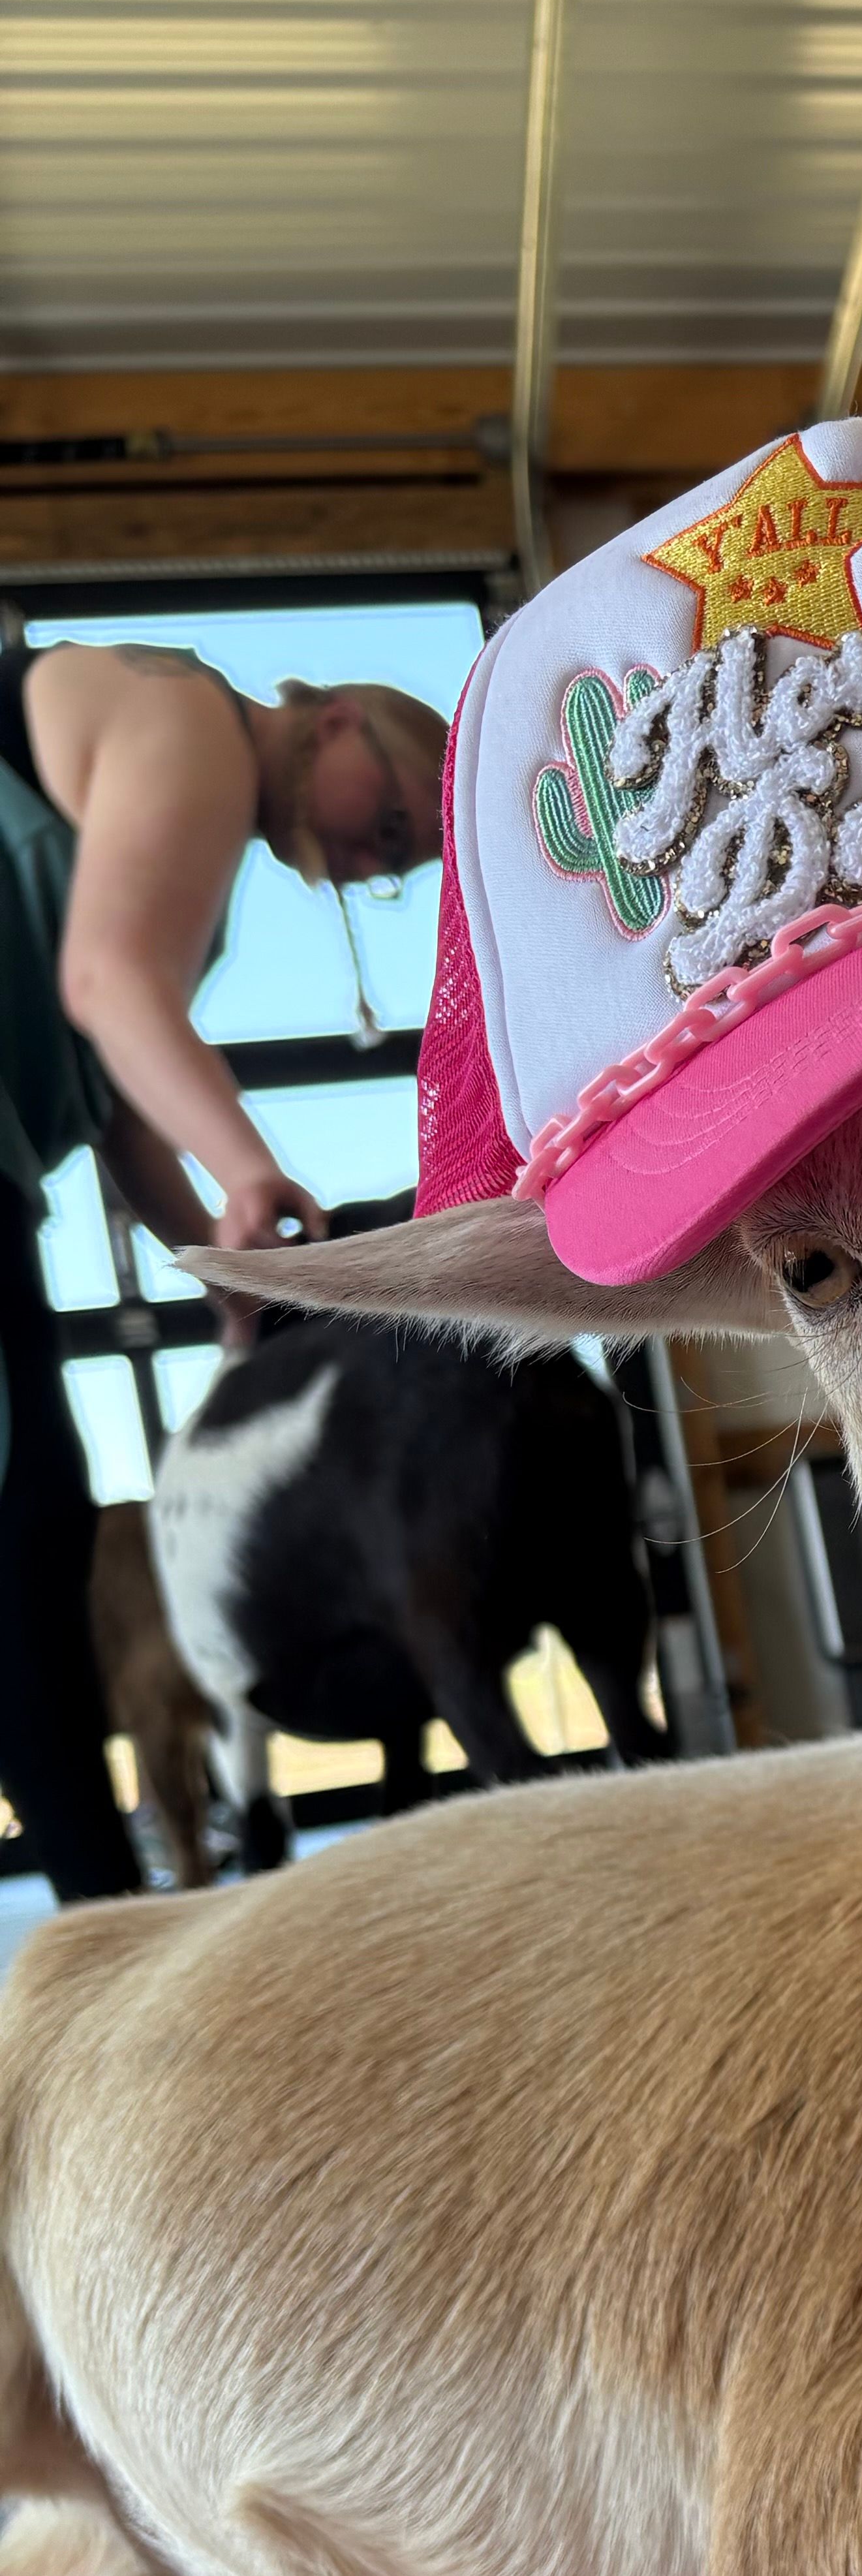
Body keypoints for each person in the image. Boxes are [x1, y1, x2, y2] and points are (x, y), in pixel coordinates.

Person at [0, 634, 447, 1898]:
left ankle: (101, 1907)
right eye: (397, 818)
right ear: (342, 721)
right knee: (24, 1527)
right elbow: (108, 985)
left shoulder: (177, 812)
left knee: (34, 1525)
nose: (376, 863)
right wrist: (253, 1173)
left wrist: (210, 1257)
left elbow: (116, 1097)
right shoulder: (192, 716)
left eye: (400, 864)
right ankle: (101, 1915)